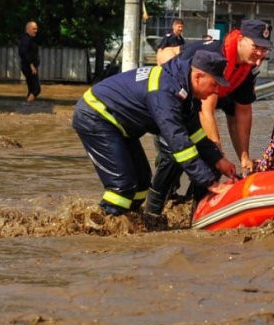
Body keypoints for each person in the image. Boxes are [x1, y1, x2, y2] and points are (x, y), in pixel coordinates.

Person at [73, 48, 239, 219]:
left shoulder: (184, 88)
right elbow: (179, 145)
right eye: (214, 84)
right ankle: (96, 230)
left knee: (142, 183)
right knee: (122, 188)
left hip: (118, 124)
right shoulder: (165, 92)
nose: (217, 91)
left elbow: (195, 133)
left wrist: (219, 160)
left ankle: (129, 223)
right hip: (96, 116)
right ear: (198, 77)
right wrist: (211, 183)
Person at [145, 18, 271, 214]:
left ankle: (193, 211)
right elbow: (206, 109)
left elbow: (241, 112)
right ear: (241, 40)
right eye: (256, 47)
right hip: (170, 103)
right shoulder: (215, 57)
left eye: (265, 49)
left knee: (210, 164)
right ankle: (154, 210)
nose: (260, 54)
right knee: (173, 159)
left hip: (194, 105)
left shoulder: (248, 67)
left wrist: (244, 158)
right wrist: (216, 154)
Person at [18, 20, 40, 103]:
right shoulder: (26, 39)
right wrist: (32, 66)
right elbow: (23, 52)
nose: (36, 31)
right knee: (36, 89)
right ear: (28, 29)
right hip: (29, 68)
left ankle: (28, 109)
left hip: (29, 67)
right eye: (34, 29)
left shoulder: (28, 39)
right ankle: (26, 105)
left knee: (31, 89)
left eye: (36, 29)